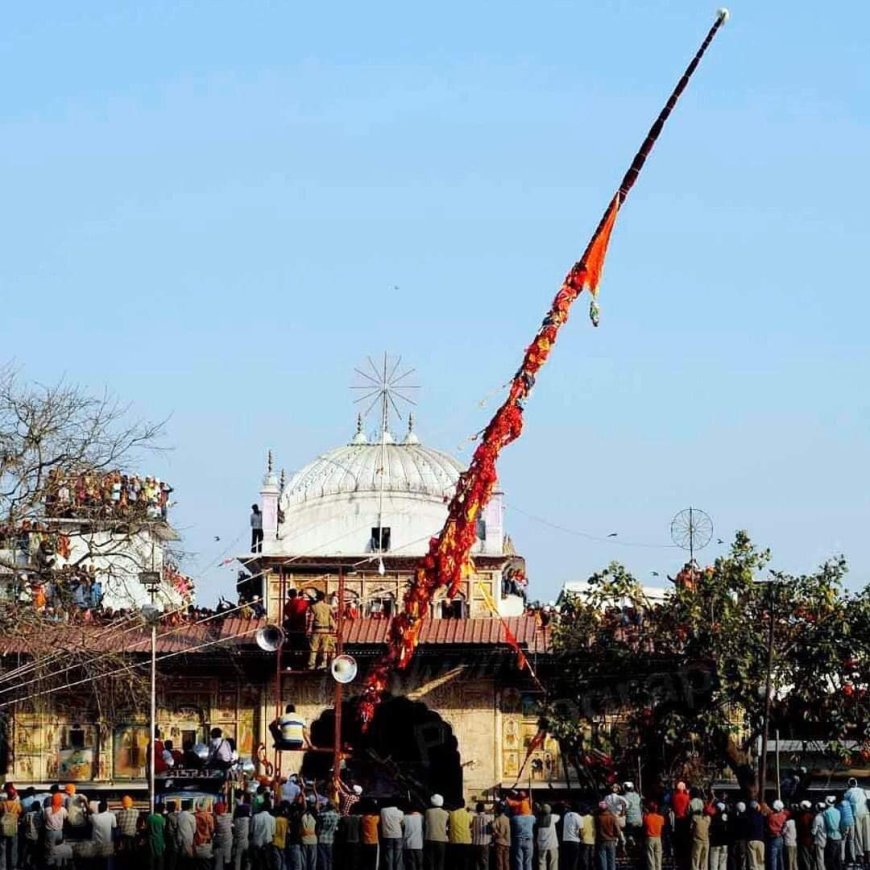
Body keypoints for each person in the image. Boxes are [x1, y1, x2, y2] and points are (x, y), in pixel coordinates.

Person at [307, 591, 337, 669]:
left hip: (316, 629)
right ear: (324, 598)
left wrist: (309, 629)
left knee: (313, 648)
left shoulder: (313, 607)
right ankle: (322, 664)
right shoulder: (328, 607)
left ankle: (311, 665)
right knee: (324, 648)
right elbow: (333, 616)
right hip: (326, 630)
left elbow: (311, 619)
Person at [844, 779, 869, 864]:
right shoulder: (862, 790)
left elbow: (846, 805)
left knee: (858, 836)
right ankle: (868, 853)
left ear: (848, 785)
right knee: (867, 835)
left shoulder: (847, 793)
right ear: (856, 783)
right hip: (866, 813)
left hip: (856, 814)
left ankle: (860, 855)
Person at [0, 783, 22, 870]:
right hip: (13, 829)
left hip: (3, 829)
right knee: (13, 849)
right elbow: (20, 812)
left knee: (2, 850)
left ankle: (2, 867)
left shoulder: (2, 804)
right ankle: (13, 867)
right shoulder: (17, 804)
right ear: (13, 795)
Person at [425, 795, 449, 870]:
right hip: (441, 839)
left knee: (430, 862)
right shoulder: (446, 813)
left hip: (430, 838)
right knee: (440, 862)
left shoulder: (428, 811)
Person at [250, 798, 276, 870]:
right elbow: (273, 833)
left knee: (257, 864)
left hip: (256, 844)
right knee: (267, 864)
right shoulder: (272, 818)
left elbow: (251, 832)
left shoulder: (255, 817)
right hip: (267, 844)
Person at [90, 800, 117, 868]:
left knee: (97, 862)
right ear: (106, 808)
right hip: (107, 843)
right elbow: (114, 826)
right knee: (106, 862)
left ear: (98, 808)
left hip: (96, 844)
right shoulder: (111, 815)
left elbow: (89, 817)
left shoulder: (94, 816)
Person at [596, 802, 622, 870]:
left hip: (601, 841)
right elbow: (618, 830)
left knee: (602, 861)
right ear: (607, 808)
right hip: (611, 841)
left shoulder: (598, 818)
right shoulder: (612, 817)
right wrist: (618, 837)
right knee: (611, 860)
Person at [380, 800, 405, 870]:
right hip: (398, 835)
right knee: (398, 855)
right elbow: (402, 824)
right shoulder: (400, 812)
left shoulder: (383, 811)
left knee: (389, 855)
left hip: (387, 836)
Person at [449, 802, 473, 870]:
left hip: (454, 841)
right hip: (466, 841)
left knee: (455, 862)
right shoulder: (468, 815)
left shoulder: (452, 814)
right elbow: (471, 825)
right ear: (464, 805)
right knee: (465, 862)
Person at [536, 803, 560, 870]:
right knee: (554, 859)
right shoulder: (553, 817)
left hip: (541, 844)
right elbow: (559, 817)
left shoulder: (538, 819)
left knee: (541, 861)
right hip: (552, 843)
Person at [318, 800, 340, 870]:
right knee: (329, 858)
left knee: (323, 858)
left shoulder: (322, 815)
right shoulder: (337, 816)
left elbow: (318, 814)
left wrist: (324, 809)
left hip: (321, 838)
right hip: (330, 839)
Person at [644, 802, 667, 870]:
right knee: (658, 856)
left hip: (650, 838)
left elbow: (644, 825)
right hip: (658, 837)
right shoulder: (661, 818)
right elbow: (662, 826)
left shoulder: (646, 817)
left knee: (650, 857)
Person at [471, 801, 493, 870]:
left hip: (475, 843)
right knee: (484, 862)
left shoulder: (474, 818)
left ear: (477, 809)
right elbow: (491, 829)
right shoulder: (488, 818)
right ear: (483, 809)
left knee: (476, 863)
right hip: (485, 843)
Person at [768, 800, 789, 870]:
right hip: (780, 837)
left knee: (773, 858)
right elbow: (785, 826)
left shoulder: (771, 817)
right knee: (781, 857)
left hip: (773, 838)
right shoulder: (783, 816)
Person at [231, 795, 251, 870]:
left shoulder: (236, 820)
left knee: (237, 859)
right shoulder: (247, 820)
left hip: (238, 842)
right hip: (246, 842)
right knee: (247, 859)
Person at [404, 804, 425, 870]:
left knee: (411, 862)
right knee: (420, 863)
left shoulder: (405, 817)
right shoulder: (421, 817)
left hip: (409, 843)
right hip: (419, 843)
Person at [822, 798, 842, 870]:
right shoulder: (838, 811)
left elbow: (830, 826)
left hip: (831, 837)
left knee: (831, 858)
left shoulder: (826, 812)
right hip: (839, 836)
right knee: (838, 858)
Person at [709, 802, 729, 870]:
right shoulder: (727, 817)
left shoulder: (714, 817)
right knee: (723, 862)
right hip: (725, 841)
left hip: (715, 842)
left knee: (714, 861)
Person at [837, 794, 855, 867]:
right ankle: (853, 859)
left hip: (844, 824)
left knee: (843, 842)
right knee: (851, 841)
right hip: (852, 822)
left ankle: (842, 859)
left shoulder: (838, 806)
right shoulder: (848, 803)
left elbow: (838, 816)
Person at [360, 802, 380, 870]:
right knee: (373, 861)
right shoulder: (375, 818)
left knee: (366, 860)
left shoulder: (363, 819)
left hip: (365, 841)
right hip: (374, 842)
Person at [747, 802, 766, 870]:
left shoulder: (748, 816)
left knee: (753, 862)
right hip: (760, 840)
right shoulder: (761, 816)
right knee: (761, 860)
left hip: (751, 840)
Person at [491, 804, 511, 870]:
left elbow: (493, 826)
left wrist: (496, 833)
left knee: (499, 862)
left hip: (500, 842)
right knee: (506, 861)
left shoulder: (497, 819)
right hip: (507, 843)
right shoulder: (508, 819)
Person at [147, 806, 167, 870]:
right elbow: (164, 830)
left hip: (151, 840)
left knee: (151, 857)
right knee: (160, 858)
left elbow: (147, 828)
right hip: (159, 840)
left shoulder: (149, 817)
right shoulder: (163, 819)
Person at [300, 802, 318, 870]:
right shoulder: (315, 816)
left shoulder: (302, 816)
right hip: (313, 840)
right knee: (312, 860)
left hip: (304, 839)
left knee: (304, 859)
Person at [811, 804, 827, 870]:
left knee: (820, 858)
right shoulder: (825, 815)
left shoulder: (817, 818)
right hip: (825, 839)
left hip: (819, 840)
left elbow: (814, 831)